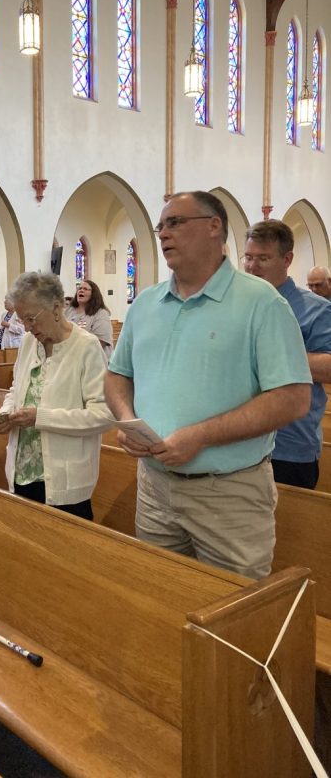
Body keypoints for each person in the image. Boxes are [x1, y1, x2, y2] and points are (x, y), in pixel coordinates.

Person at [105, 191, 311, 580]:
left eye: (175, 223)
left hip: (228, 493)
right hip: (154, 486)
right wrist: (128, 420)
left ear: (214, 226)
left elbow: (293, 398)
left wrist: (200, 436)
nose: (164, 234)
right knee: (157, 594)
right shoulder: (146, 304)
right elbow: (118, 375)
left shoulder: (261, 302)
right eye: (161, 226)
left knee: (235, 603)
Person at [0, 272, 112, 520]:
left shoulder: (86, 347)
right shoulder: (29, 342)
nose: (27, 327)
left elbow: (103, 415)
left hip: (64, 481)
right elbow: (16, 389)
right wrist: (6, 413)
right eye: (22, 319)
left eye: (31, 319)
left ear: (56, 308)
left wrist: (41, 417)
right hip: (22, 473)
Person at [243, 220, 331, 489]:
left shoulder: (316, 309)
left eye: (263, 258)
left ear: (287, 259)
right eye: (248, 257)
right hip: (241, 441)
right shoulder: (238, 306)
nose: (252, 266)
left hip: (288, 447)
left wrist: (271, 350)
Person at [65, 279, 114, 359]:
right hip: (70, 357)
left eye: (85, 289)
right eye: (79, 288)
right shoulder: (69, 310)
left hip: (93, 359)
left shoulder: (101, 313)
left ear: (93, 294)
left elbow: (101, 342)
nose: (81, 290)